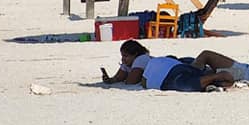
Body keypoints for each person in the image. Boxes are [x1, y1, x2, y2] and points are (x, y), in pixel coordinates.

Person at [101, 40, 235, 91]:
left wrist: (124, 70)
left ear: (134, 54)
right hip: (171, 65)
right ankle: (217, 79)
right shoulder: (144, 60)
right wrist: (112, 79)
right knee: (193, 75)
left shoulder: (141, 60)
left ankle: (217, 76)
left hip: (166, 74)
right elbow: (119, 78)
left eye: (125, 56)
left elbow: (130, 81)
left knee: (188, 83)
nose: (123, 59)